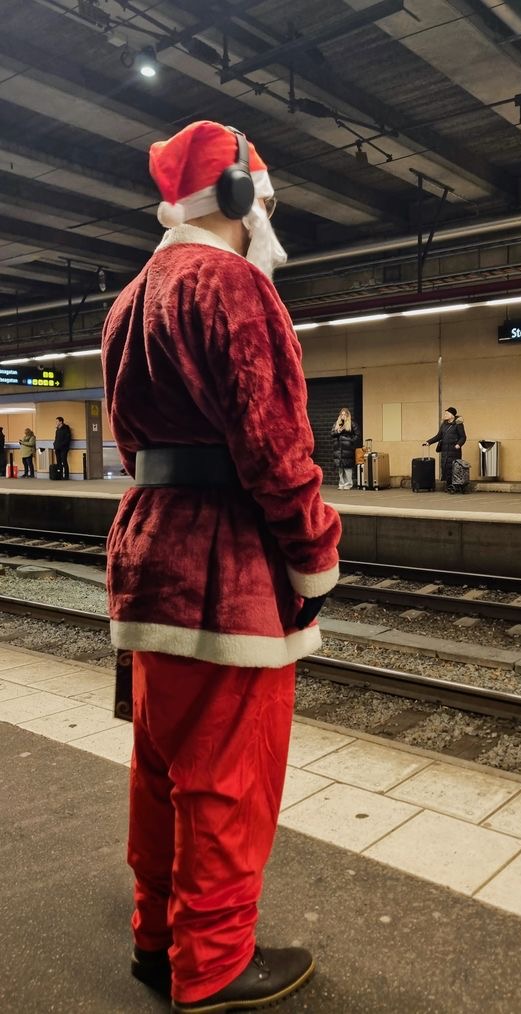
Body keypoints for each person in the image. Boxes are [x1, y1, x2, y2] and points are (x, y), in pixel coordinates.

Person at [101, 119, 341, 1014]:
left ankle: (156, 940)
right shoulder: (233, 286)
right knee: (229, 781)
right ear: (240, 197)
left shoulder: (132, 297)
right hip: (226, 575)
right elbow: (277, 447)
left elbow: (133, 443)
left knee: (160, 772)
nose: (271, 218)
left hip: (149, 559)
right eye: (267, 199)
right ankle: (214, 966)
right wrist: (315, 559)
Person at [423, 407, 466, 492]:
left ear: (452, 415)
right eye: (445, 413)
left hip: (454, 450)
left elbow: (463, 437)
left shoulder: (458, 424)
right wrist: (428, 442)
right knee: (445, 467)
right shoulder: (444, 425)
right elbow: (438, 436)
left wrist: (459, 444)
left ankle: (455, 486)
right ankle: (449, 486)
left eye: (447, 413)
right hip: (445, 450)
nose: (445, 415)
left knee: (453, 468)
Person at [331, 407, 360, 490]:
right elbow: (332, 433)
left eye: (344, 414)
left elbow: (357, 435)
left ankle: (348, 484)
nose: (343, 416)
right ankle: (341, 483)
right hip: (338, 449)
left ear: (348, 415)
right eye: (342, 414)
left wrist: (350, 441)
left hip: (347, 449)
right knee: (340, 468)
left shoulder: (352, 424)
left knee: (347, 467)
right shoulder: (337, 423)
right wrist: (338, 431)